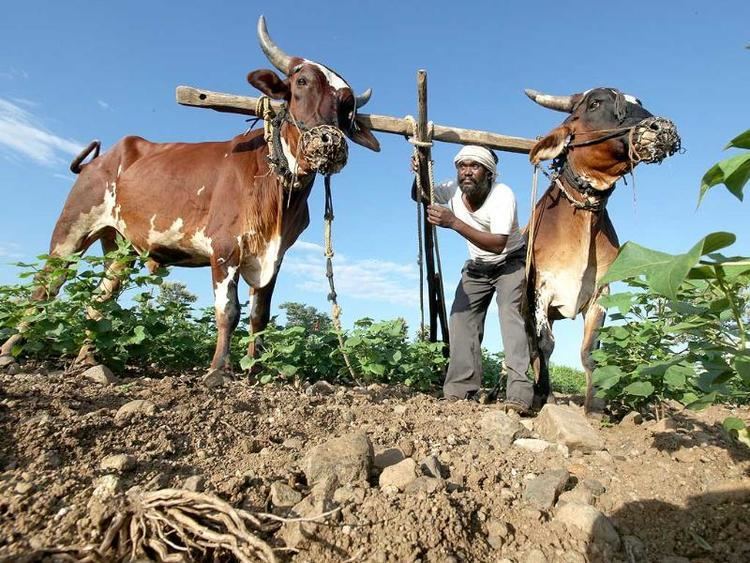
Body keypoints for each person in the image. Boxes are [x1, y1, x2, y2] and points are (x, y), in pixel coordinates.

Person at [424, 145, 533, 413]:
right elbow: (419, 193)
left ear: (489, 173)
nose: (467, 172)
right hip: (478, 266)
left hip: (509, 261)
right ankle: (460, 391)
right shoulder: (452, 189)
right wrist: (420, 170)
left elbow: (497, 244)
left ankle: (519, 394)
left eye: (475, 166)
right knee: (461, 320)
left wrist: (454, 223)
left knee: (511, 317)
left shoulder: (502, 195)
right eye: (462, 166)